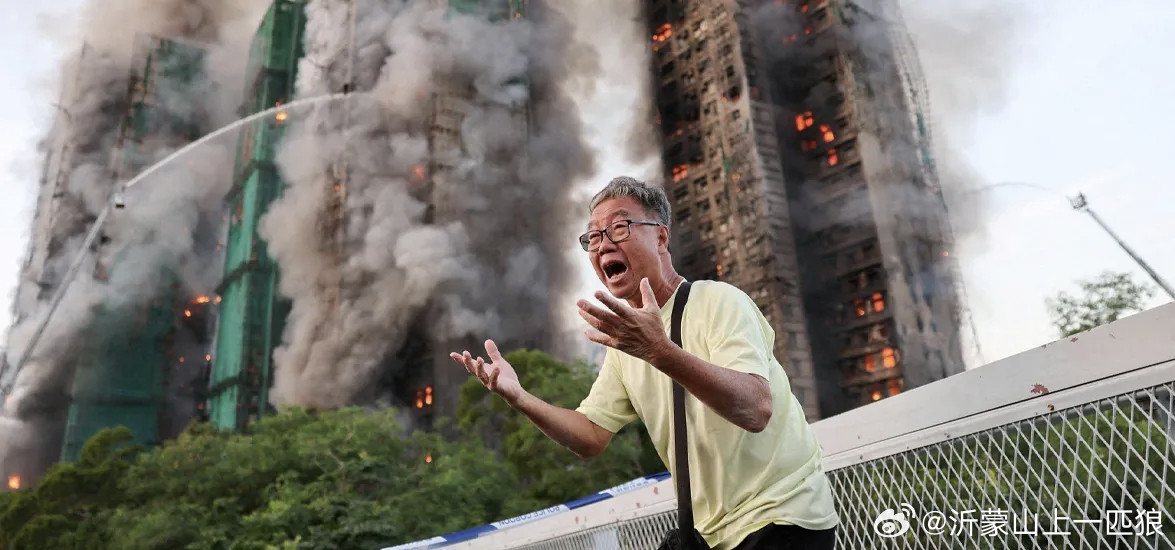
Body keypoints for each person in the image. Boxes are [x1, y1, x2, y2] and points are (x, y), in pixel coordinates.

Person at [450, 176, 839, 550]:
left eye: (619, 228)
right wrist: (519, 398)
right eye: (594, 237)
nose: (603, 245)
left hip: (782, 517)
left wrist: (659, 351)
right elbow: (590, 437)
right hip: (712, 535)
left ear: (662, 237)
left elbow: (756, 409)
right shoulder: (625, 344)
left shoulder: (718, 301)